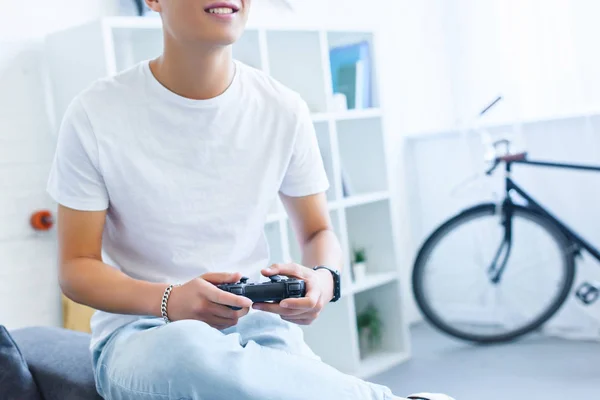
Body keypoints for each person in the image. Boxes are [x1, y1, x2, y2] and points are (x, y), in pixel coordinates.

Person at [47, 0, 455, 399]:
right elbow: (76, 268)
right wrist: (169, 299)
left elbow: (318, 231)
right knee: (189, 350)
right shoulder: (94, 113)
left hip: (256, 328)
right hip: (144, 333)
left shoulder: (283, 108)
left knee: (277, 373)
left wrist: (323, 279)